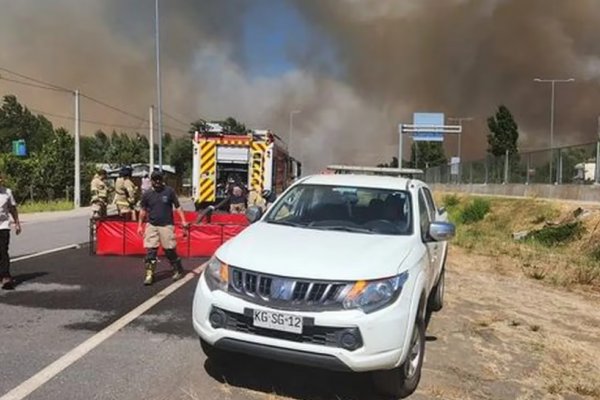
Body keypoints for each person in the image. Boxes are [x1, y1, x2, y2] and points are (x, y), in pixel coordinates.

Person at [137, 171, 189, 286]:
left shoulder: (169, 191)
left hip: (166, 225)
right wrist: (140, 225)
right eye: (155, 179)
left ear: (162, 179)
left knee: (169, 250)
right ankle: (149, 274)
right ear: (151, 181)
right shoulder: (147, 194)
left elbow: (178, 207)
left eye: (159, 179)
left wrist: (183, 220)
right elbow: (143, 211)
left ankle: (177, 269)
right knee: (151, 250)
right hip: (152, 225)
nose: (157, 182)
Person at [0, 174, 21, 290]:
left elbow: (13, 209)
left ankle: (6, 277)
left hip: (3, 226)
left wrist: (17, 223)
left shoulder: (7, 192)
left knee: (3, 250)